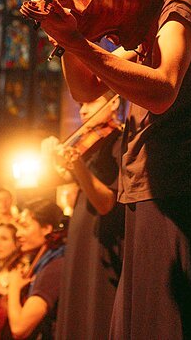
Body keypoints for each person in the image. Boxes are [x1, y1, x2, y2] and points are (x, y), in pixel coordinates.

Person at [25, 0, 191, 340]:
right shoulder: (151, 23)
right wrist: (69, 38)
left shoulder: (183, 0)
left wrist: (78, 43)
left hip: (176, 192)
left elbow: (161, 89)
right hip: (154, 191)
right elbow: (87, 91)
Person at [51, 94, 125, 339]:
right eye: (80, 105)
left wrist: (77, 166)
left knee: (95, 313)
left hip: (104, 239)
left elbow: (106, 203)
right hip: (83, 236)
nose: (82, 111)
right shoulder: (91, 143)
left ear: (114, 102)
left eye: (90, 101)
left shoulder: (121, 140)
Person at [5, 200, 66, 340]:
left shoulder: (54, 267)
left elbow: (19, 328)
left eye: (25, 227)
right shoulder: (45, 261)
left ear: (46, 229)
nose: (18, 234)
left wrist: (13, 287)